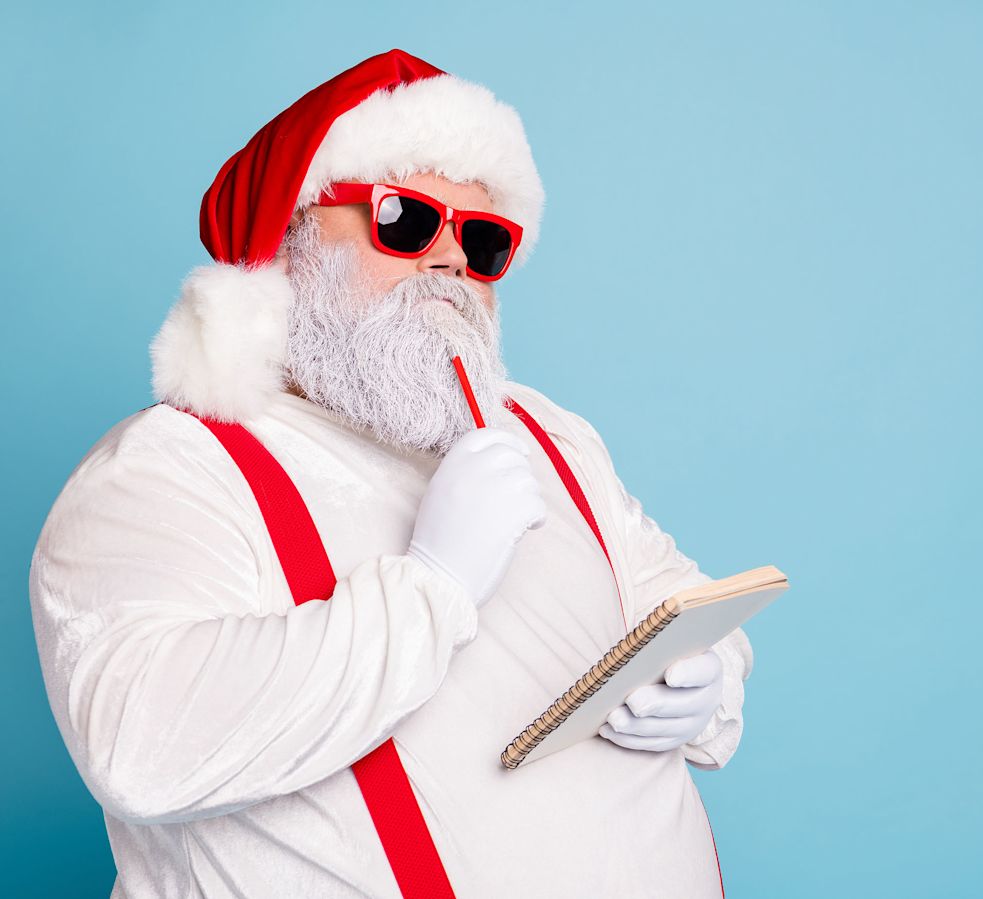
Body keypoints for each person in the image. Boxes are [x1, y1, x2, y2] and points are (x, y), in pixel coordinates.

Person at [28, 48, 753, 899]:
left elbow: (675, 596)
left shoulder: (551, 434)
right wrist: (431, 585)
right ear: (292, 242)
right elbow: (139, 740)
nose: (448, 260)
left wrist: (710, 677)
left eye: (482, 241)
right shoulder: (169, 467)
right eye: (405, 220)